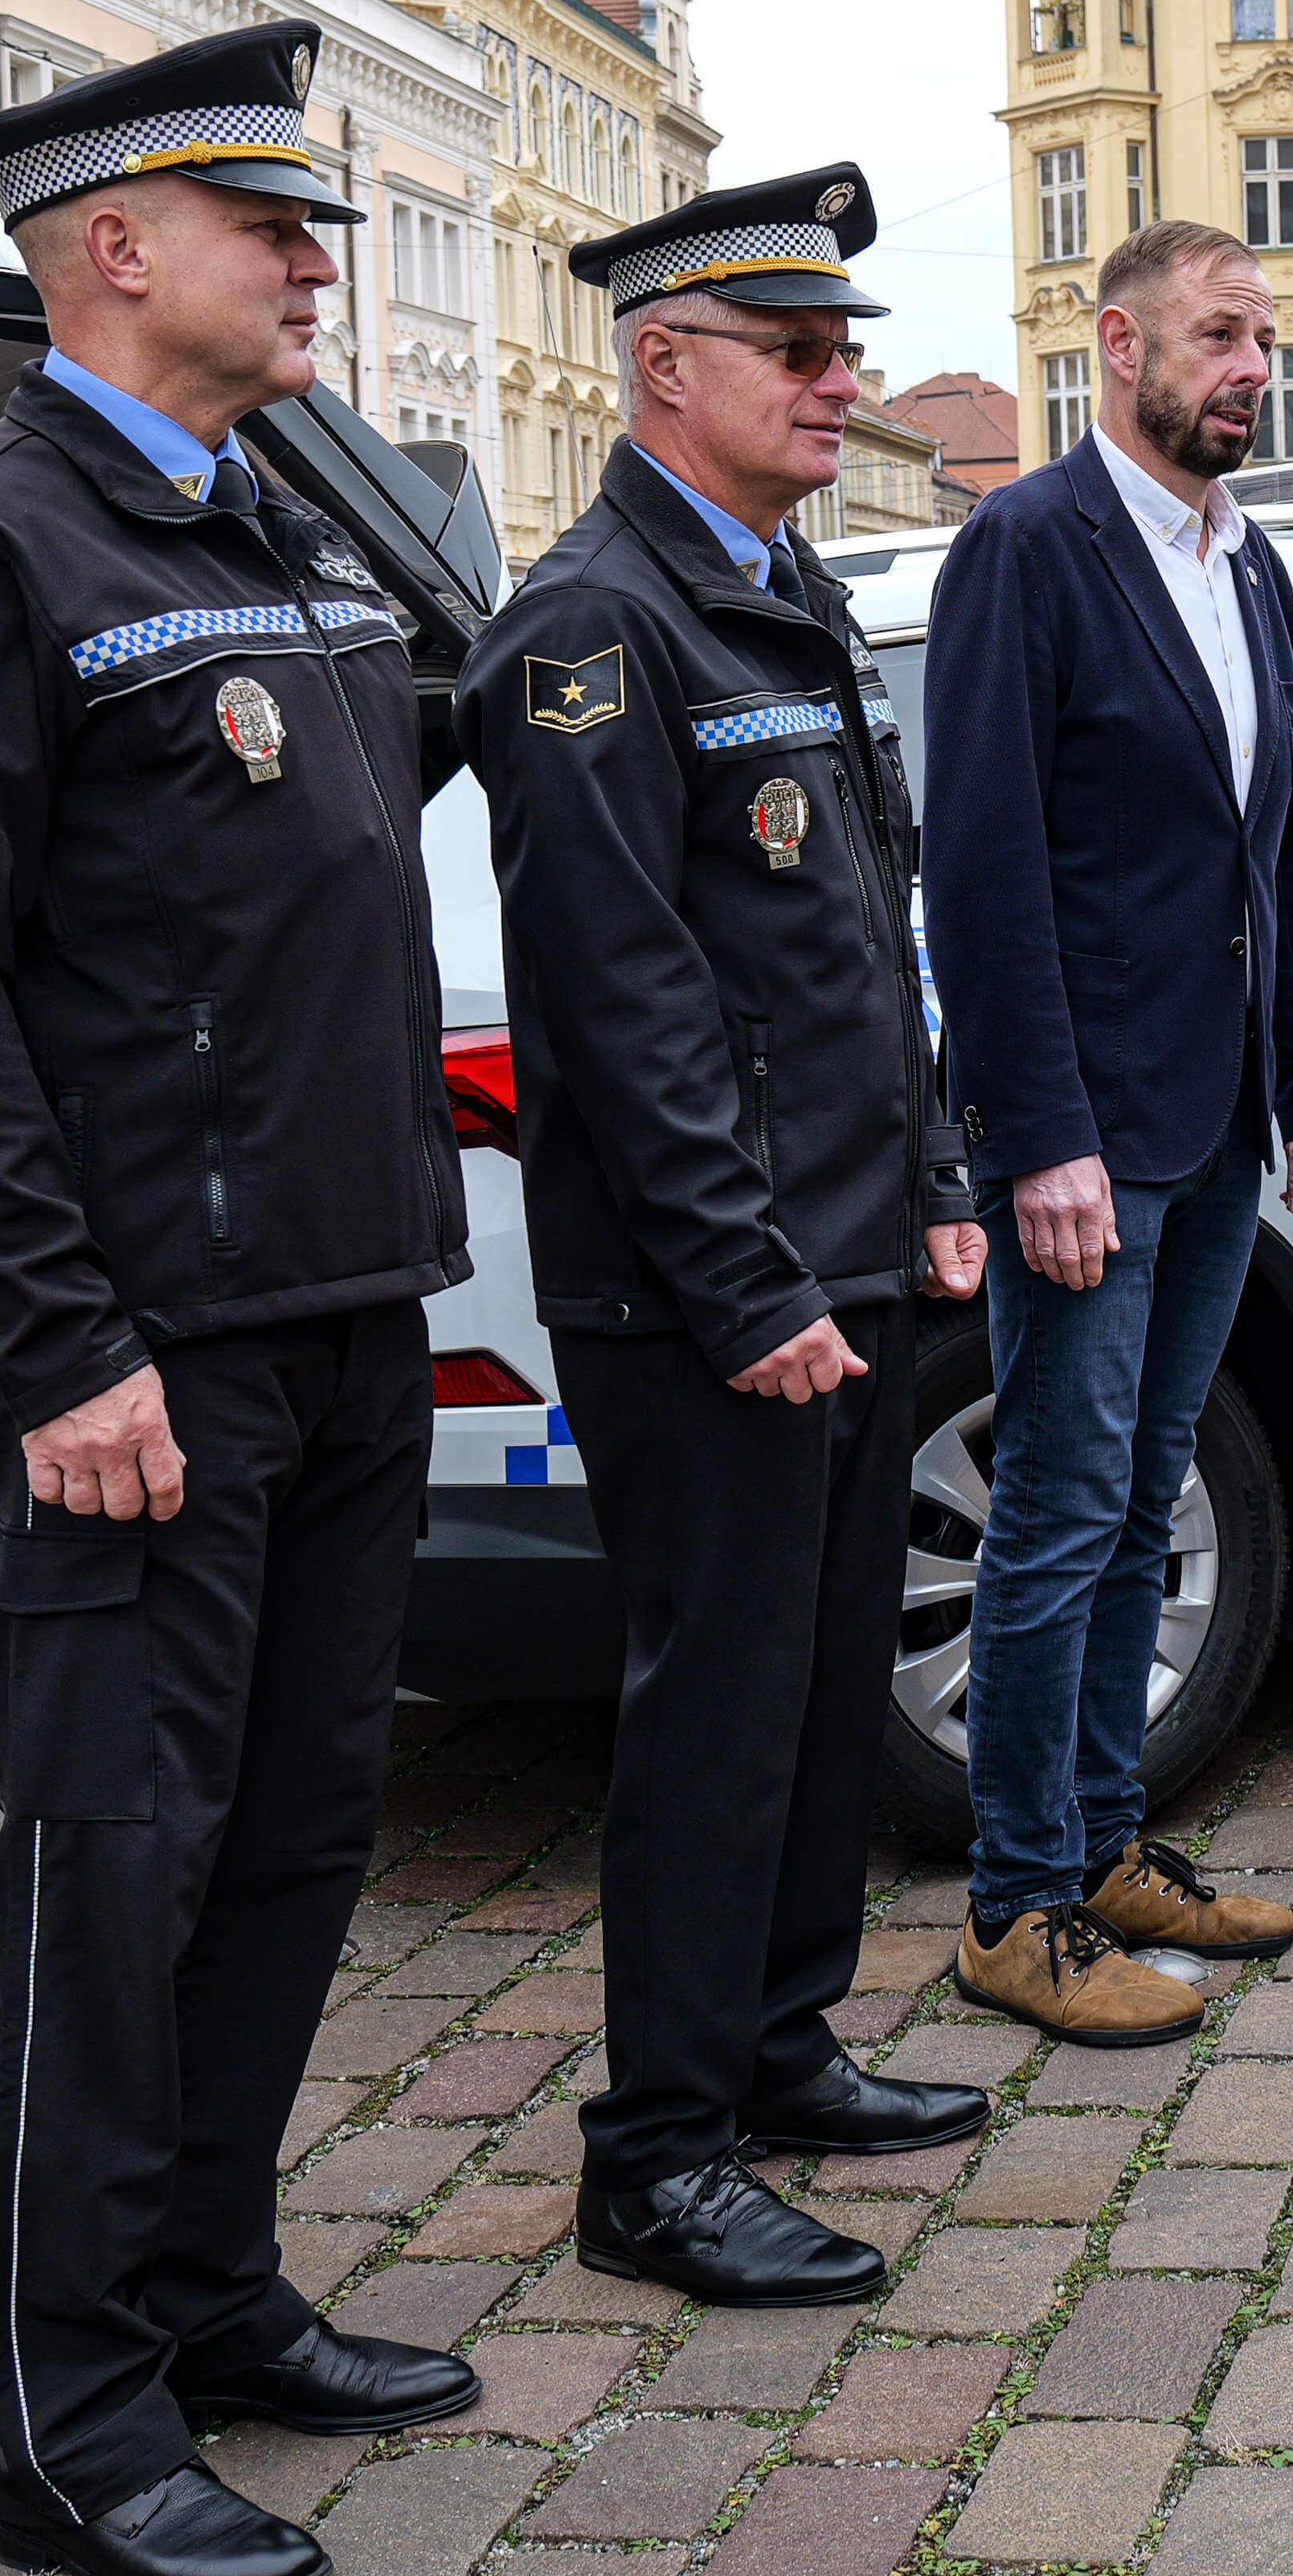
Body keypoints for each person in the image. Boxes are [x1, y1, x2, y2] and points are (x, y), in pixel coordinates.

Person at [0, 24, 477, 2576]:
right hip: (144, 1352)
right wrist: (59, 1338)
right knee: (112, 1871)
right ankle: (68, 2429)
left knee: (292, 1841)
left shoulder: (265, 534)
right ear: (114, 246)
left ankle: (212, 2290)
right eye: (267, 223)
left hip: (334, 1302)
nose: (316, 261)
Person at [455, 163, 996, 2312]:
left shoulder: (781, 592)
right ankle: (658, 2155)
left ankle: (781, 2049)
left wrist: (936, 1186)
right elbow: (626, 997)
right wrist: (748, 1280)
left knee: (806, 1697)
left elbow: (870, 937)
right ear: (665, 365)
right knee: (709, 1720)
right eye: (800, 352)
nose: (838, 381)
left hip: (851, 1257)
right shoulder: (593, 628)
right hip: (712, 1293)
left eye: (845, 346)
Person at [925, 220, 1293, 2044]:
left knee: (1136, 1512)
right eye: (1215, 332)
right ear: (1118, 344)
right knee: (1058, 1510)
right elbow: (988, 863)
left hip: (1219, 1120)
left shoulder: (1245, 560)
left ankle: (1108, 1844)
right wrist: (1038, 1140)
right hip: (1094, 1134)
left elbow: (1291, 849)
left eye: (1263, 333)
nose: (1250, 362)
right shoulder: (1029, 549)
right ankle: (1017, 1902)